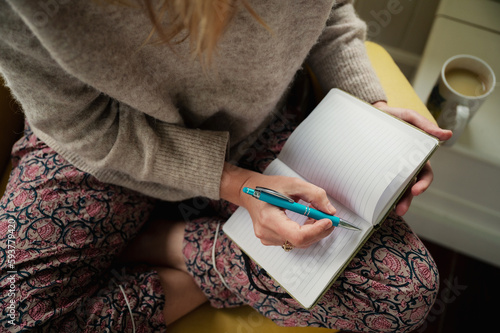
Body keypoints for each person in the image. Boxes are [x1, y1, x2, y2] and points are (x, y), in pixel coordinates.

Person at [0, 0, 452, 331]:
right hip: (105, 152)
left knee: (403, 291)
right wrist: (236, 188)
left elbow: (330, 13)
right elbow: (81, 123)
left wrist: (369, 109)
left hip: (253, 132)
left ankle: (163, 240)